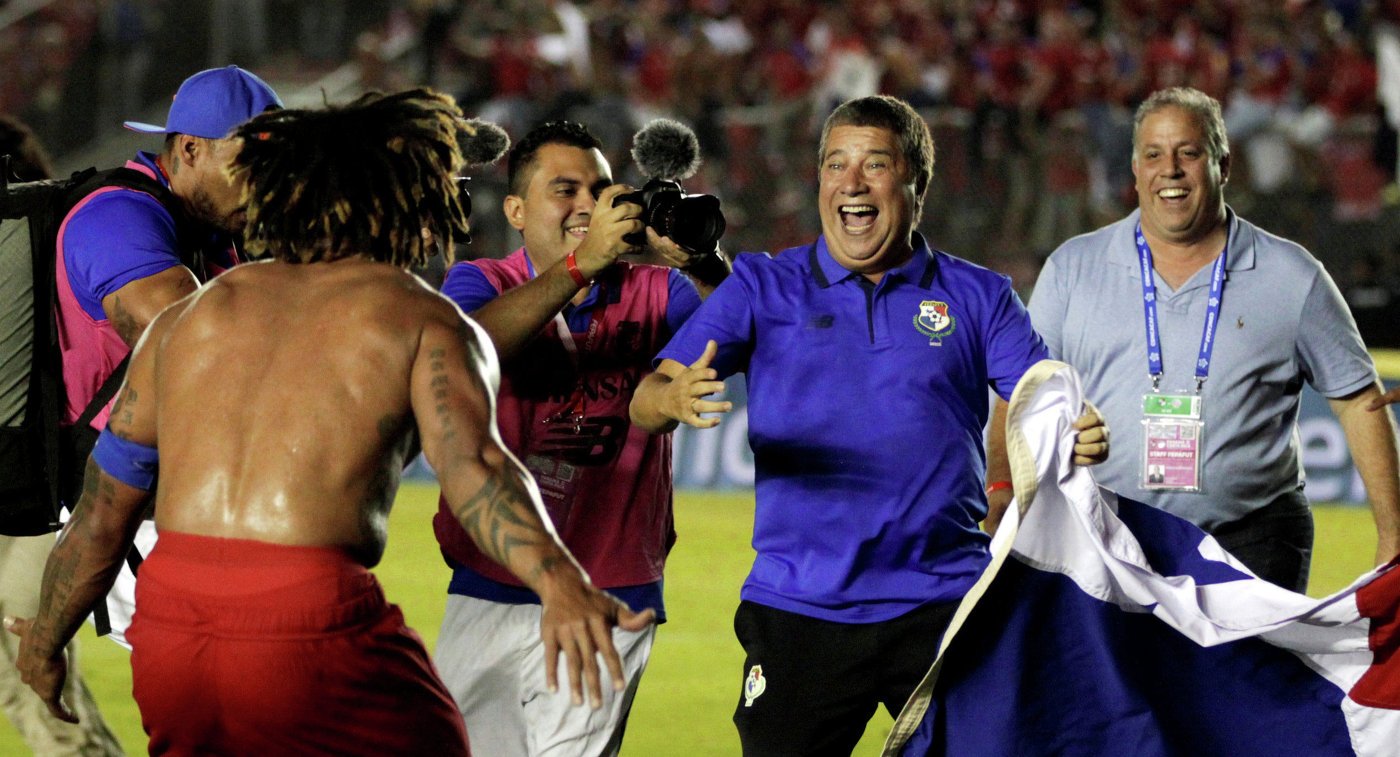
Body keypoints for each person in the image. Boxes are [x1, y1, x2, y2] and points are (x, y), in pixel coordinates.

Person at [5, 88, 652, 755]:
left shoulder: (186, 319)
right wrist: (561, 581)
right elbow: (475, 470)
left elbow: (103, 510)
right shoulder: (419, 318)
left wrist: (47, 643)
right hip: (308, 620)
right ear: (401, 199)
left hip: (169, 631)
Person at [629, 95, 1108, 755]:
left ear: (917, 184)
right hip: (800, 607)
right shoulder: (763, 285)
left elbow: (1039, 393)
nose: (850, 183)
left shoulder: (980, 295)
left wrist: (1072, 425)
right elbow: (644, 397)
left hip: (942, 604)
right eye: (835, 165)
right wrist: (671, 395)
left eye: (874, 164)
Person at [990, 86, 1400, 593]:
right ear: (1135, 170)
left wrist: (1393, 537)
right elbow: (1019, 392)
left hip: (1254, 539)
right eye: (1154, 155)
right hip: (1108, 539)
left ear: (1222, 166)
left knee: (1251, 677)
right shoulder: (1073, 269)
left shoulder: (1292, 275)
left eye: (1189, 152)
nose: (1171, 169)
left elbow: (1360, 401)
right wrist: (1001, 487)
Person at [432, 119, 727, 756]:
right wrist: (580, 264)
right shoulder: (481, 281)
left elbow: (750, 325)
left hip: (609, 587)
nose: (588, 205)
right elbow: (467, 349)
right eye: (564, 190)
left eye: (599, 188)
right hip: (491, 579)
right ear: (515, 209)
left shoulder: (657, 290)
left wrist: (703, 260)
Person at [56, 64, 283, 641]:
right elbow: (202, 359)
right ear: (189, 150)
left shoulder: (212, 231)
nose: (268, 187)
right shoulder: (116, 219)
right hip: (138, 512)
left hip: (189, 501)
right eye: (253, 167)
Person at [0, 114, 123, 757]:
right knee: (14, 678)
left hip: (41, 493)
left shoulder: (57, 243)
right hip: (32, 489)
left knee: (31, 659)